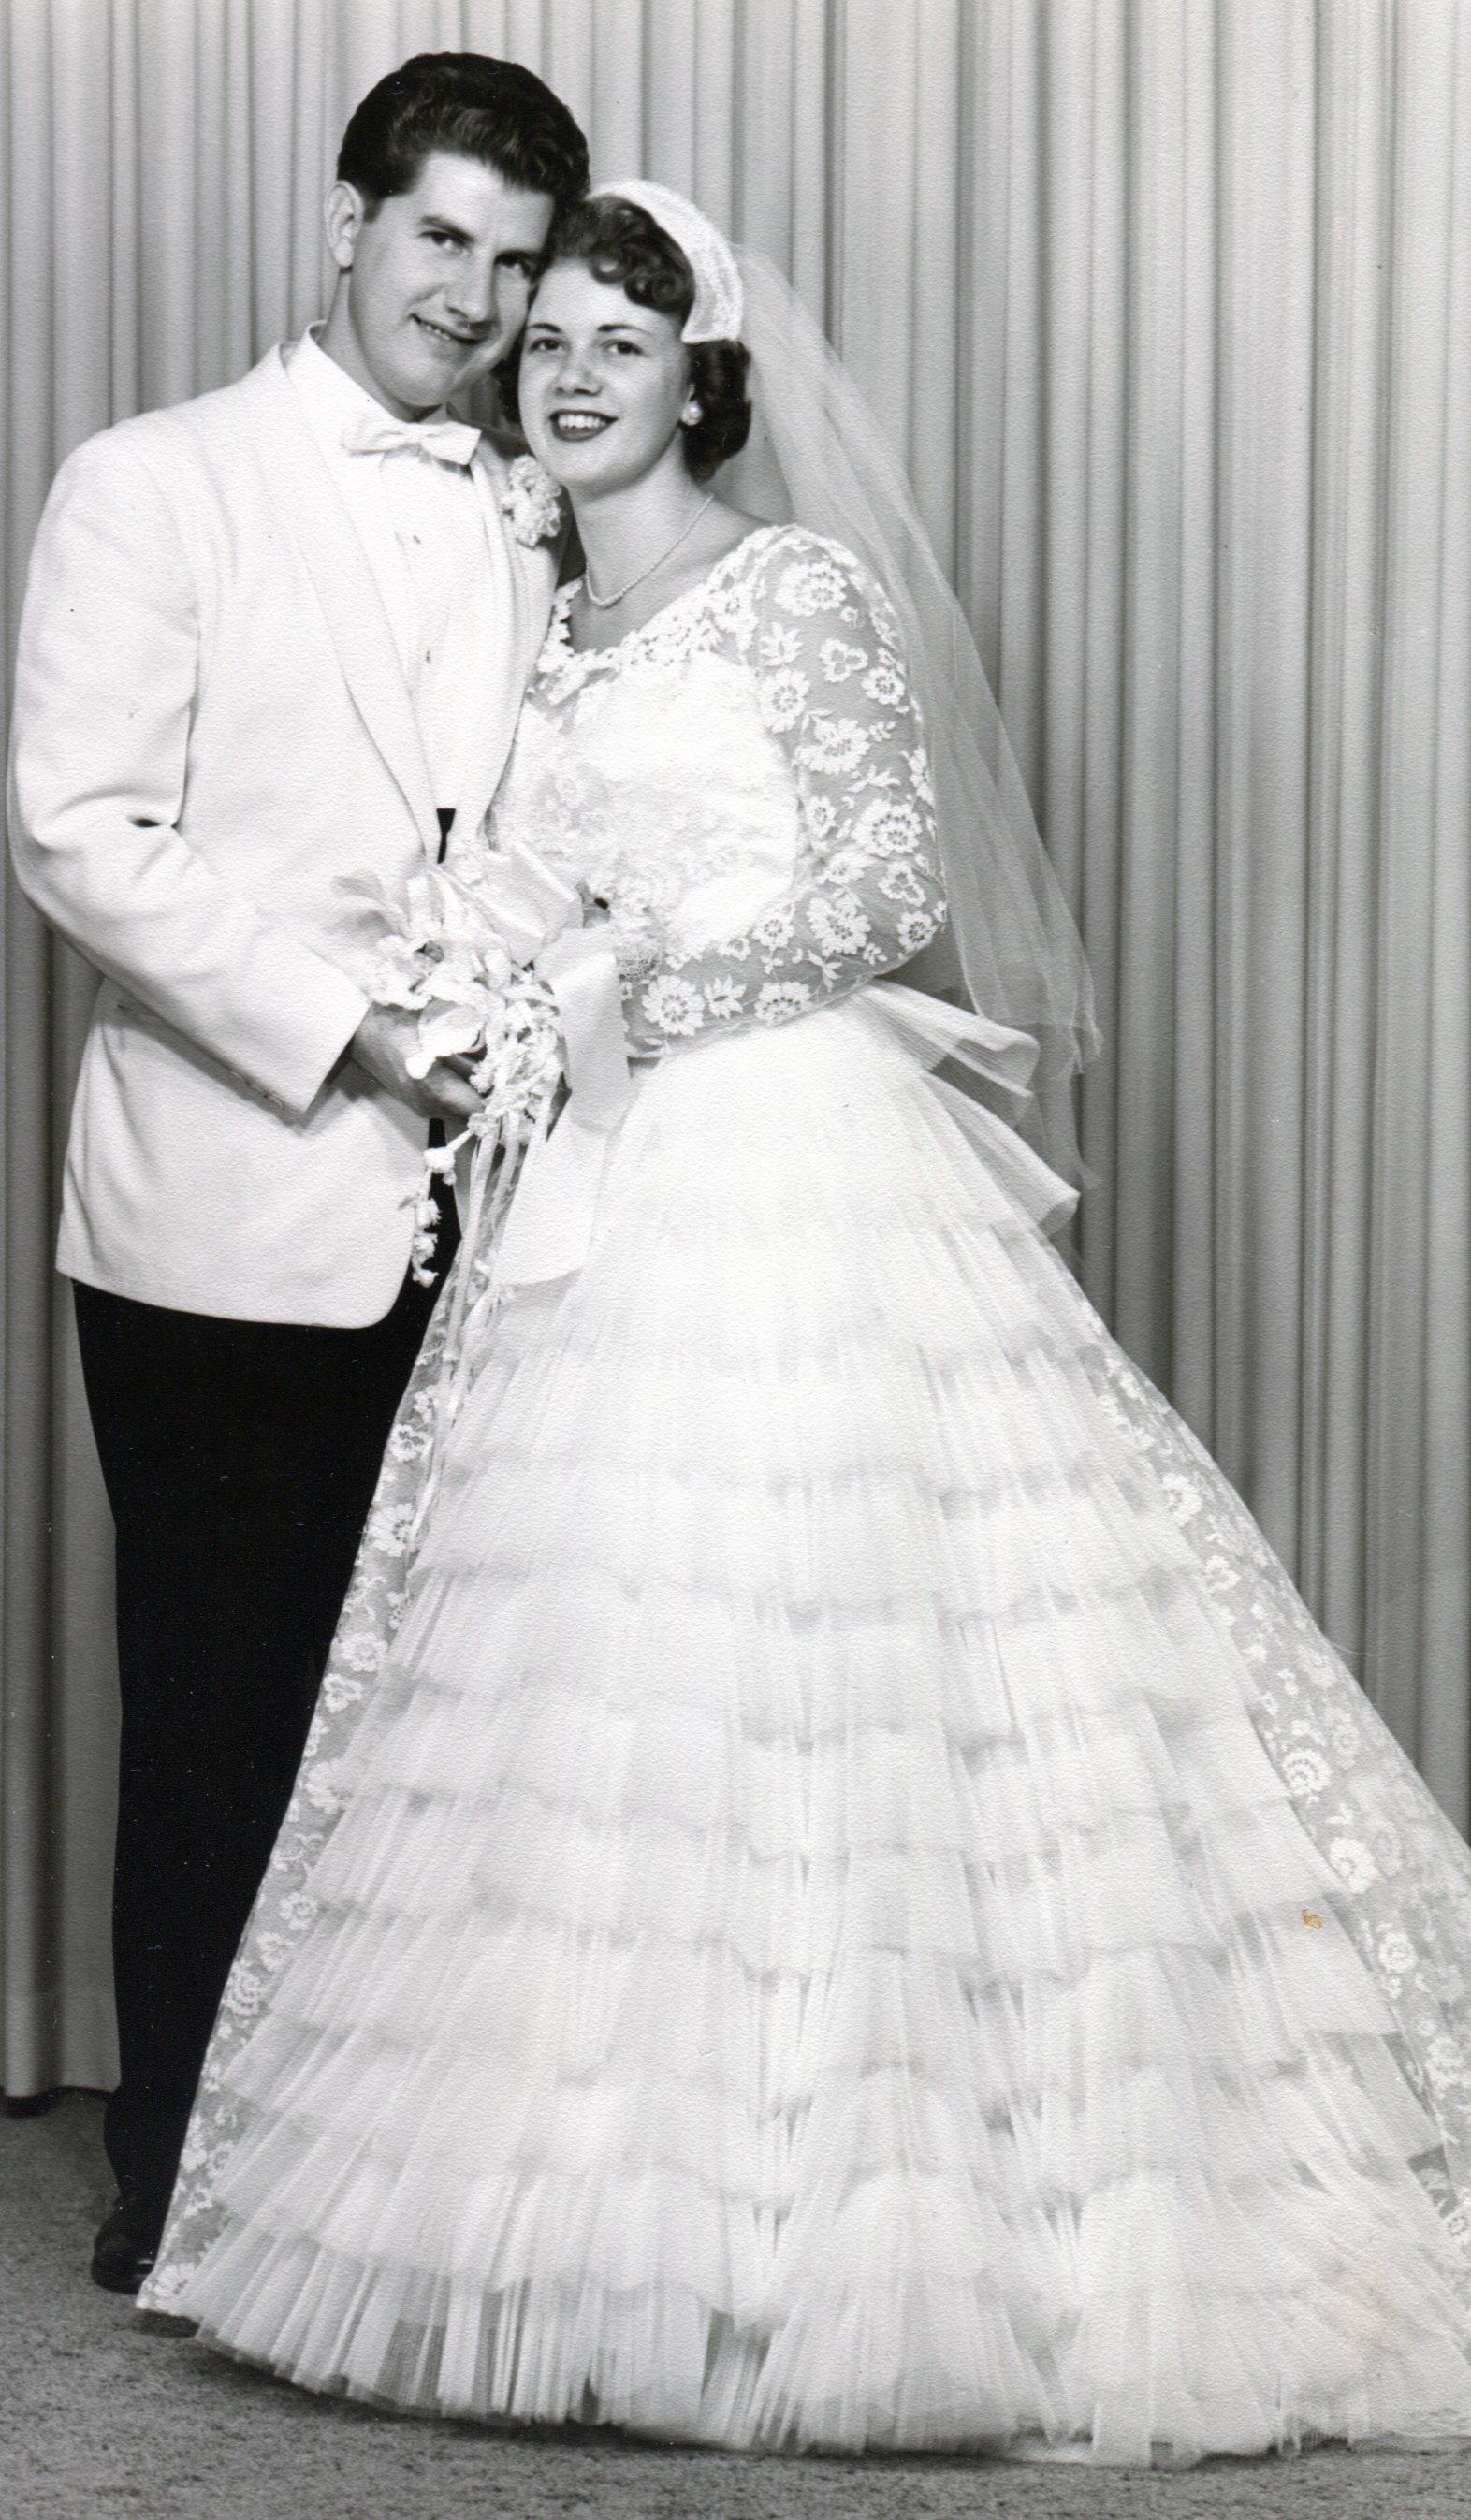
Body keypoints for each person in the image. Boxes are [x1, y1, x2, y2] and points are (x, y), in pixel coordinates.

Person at [139, 188, 1471, 2465]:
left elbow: (881, 891)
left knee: (833, 1658)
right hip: (593, 1189)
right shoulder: (546, 625)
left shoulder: (794, 588)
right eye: (543, 334)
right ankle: (613, 2236)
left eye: (621, 337)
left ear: (703, 373)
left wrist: (602, 996)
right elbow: (506, 875)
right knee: (608, 1682)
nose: (570, 370)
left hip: (781, 1161)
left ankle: (867, 2241)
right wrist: (516, 986)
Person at [6, 52, 589, 2295]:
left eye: (515, 261)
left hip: (489, 1222)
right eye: (441, 237)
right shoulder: (156, 485)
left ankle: (383, 2194)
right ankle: (187, 2190)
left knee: (447, 1721)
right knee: (225, 1712)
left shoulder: (535, 497)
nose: (474, 295)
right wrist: (356, 1038)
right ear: (342, 223)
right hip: (226, 1212)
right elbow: (81, 828)